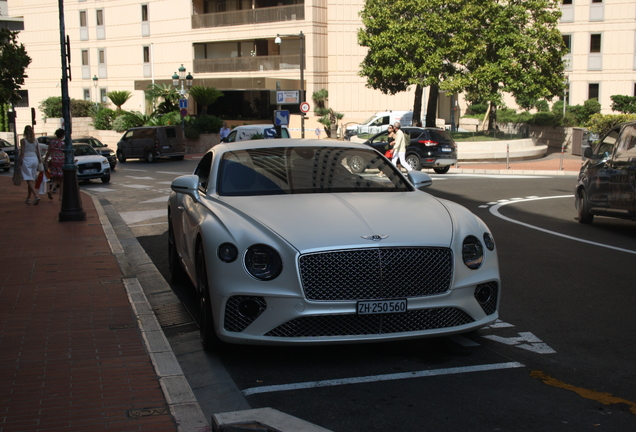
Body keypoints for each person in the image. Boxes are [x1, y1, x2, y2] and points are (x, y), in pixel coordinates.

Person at [19, 125, 42, 204]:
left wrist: (19, 163)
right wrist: (40, 160)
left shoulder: (23, 141)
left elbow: (22, 153)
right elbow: (38, 151)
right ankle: (28, 198)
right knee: (31, 179)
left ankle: (36, 196)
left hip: (26, 159)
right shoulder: (35, 140)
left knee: (28, 179)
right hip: (34, 159)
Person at [43, 128, 65, 201]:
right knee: (62, 180)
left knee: (56, 178)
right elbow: (65, 153)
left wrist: (45, 161)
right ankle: (61, 196)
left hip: (53, 162)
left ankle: (51, 190)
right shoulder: (62, 143)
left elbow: (48, 152)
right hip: (61, 162)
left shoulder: (52, 142)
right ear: (62, 135)